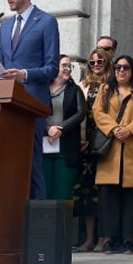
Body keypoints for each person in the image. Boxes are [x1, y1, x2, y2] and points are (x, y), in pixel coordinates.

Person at [0, 0, 60, 200]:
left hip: (31, 104)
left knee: (31, 164)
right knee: (6, 165)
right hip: (6, 104)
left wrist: (24, 74)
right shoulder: (5, 25)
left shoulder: (46, 22)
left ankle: (34, 223)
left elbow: (52, 67)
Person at [94, 55, 133, 254]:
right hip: (111, 150)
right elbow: (97, 112)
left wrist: (129, 129)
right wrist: (114, 129)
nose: (121, 71)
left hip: (132, 148)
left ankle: (130, 238)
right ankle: (110, 239)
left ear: (132, 71)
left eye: (125, 68)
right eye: (118, 67)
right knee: (109, 197)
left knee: (132, 197)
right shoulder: (105, 89)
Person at [73, 47, 110, 252]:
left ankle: (104, 237)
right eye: (92, 63)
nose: (96, 66)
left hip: (105, 144)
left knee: (103, 194)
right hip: (85, 144)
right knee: (86, 194)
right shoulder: (82, 86)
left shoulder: (111, 85)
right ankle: (88, 238)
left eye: (100, 62)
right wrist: (81, 139)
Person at [43, 55, 86, 200]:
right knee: (44, 191)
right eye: (65, 66)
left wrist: (59, 128)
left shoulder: (75, 90)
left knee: (62, 193)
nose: (68, 70)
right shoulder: (42, 89)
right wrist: (47, 129)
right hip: (44, 146)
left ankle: (60, 223)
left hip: (66, 148)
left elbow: (81, 113)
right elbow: (34, 112)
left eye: (70, 66)